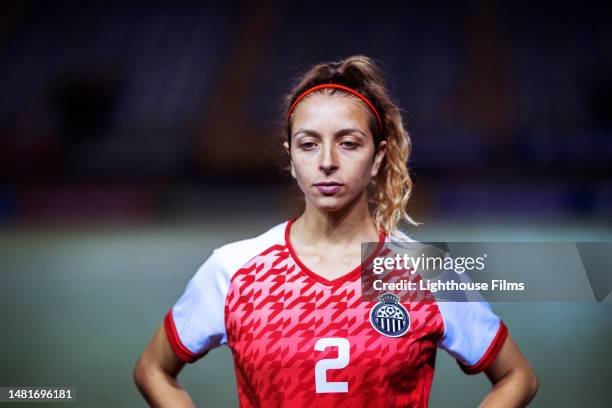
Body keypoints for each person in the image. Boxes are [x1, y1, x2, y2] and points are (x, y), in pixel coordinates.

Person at [133, 55, 538, 407]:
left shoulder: (424, 270)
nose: (327, 162)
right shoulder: (233, 268)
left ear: (378, 157)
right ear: (290, 158)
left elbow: (517, 376)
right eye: (309, 144)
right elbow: (153, 368)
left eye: (348, 143)